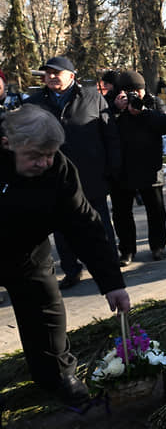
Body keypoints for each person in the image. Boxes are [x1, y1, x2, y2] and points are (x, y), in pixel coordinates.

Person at [0, 105, 130, 405]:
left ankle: (57, 376)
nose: (44, 162)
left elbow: (84, 225)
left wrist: (112, 283)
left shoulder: (59, 169)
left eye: (50, 153)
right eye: (34, 155)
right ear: (7, 144)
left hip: (28, 254)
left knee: (46, 314)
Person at [27, 56, 120, 289]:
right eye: (47, 73)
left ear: (71, 75)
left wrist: (112, 169)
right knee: (61, 228)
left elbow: (110, 137)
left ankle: (109, 265)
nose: (50, 76)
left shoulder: (92, 98)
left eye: (55, 72)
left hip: (91, 174)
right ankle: (71, 269)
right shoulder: (35, 103)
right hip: (53, 177)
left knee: (99, 223)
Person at [110, 70, 166, 265]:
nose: (134, 95)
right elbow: (101, 127)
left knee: (157, 211)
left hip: (149, 166)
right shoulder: (111, 105)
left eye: (137, 91)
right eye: (129, 92)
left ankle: (158, 246)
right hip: (121, 169)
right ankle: (127, 250)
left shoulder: (153, 103)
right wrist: (116, 109)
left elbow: (165, 125)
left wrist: (144, 112)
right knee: (121, 213)